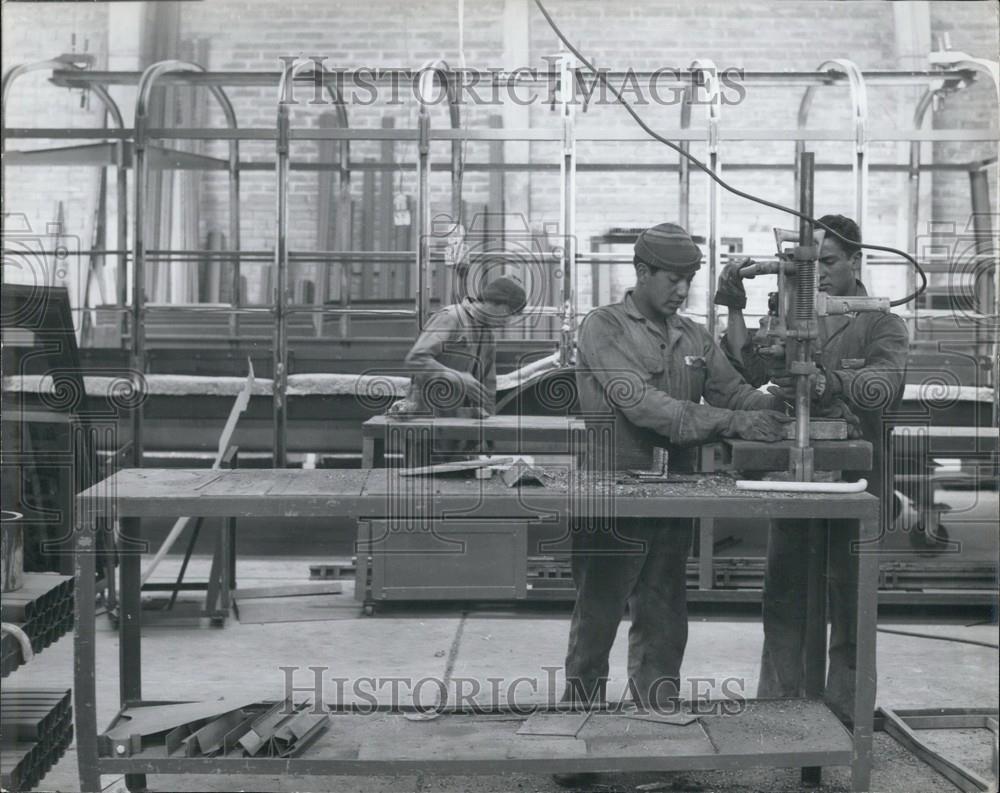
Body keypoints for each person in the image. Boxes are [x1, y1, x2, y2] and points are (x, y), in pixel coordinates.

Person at [560, 222, 792, 726]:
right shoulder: (603, 327)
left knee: (664, 621)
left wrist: (787, 409)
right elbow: (644, 406)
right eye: (672, 278)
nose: (683, 290)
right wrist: (732, 420)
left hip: (674, 493)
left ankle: (655, 727)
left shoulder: (694, 334)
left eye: (689, 278)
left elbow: (733, 392)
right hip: (612, 495)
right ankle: (578, 732)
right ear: (642, 272)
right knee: (597, 619)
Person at [714, 214, 909, 723]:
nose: (817, 274)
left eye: (828, 262)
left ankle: (844, 719)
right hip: (798, 475)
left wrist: (828, 385)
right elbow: (747, 368)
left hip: (856, 482)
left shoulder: (879, 320)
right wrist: (734, 307)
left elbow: (884, 386)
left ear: (854, 261)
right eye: (807, 265)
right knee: (786, 595)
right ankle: (782, 715)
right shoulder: (787, 307)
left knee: (849, 603)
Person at [396, 275, 527, 418]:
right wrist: (457, 377)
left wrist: (487, 419)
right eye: (508, 313)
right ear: (494, 302)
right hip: (426, 415)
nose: (508, 321)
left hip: (458, 421)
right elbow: (415, 360)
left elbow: (487, 385)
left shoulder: (488, 336)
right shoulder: (451, 318)